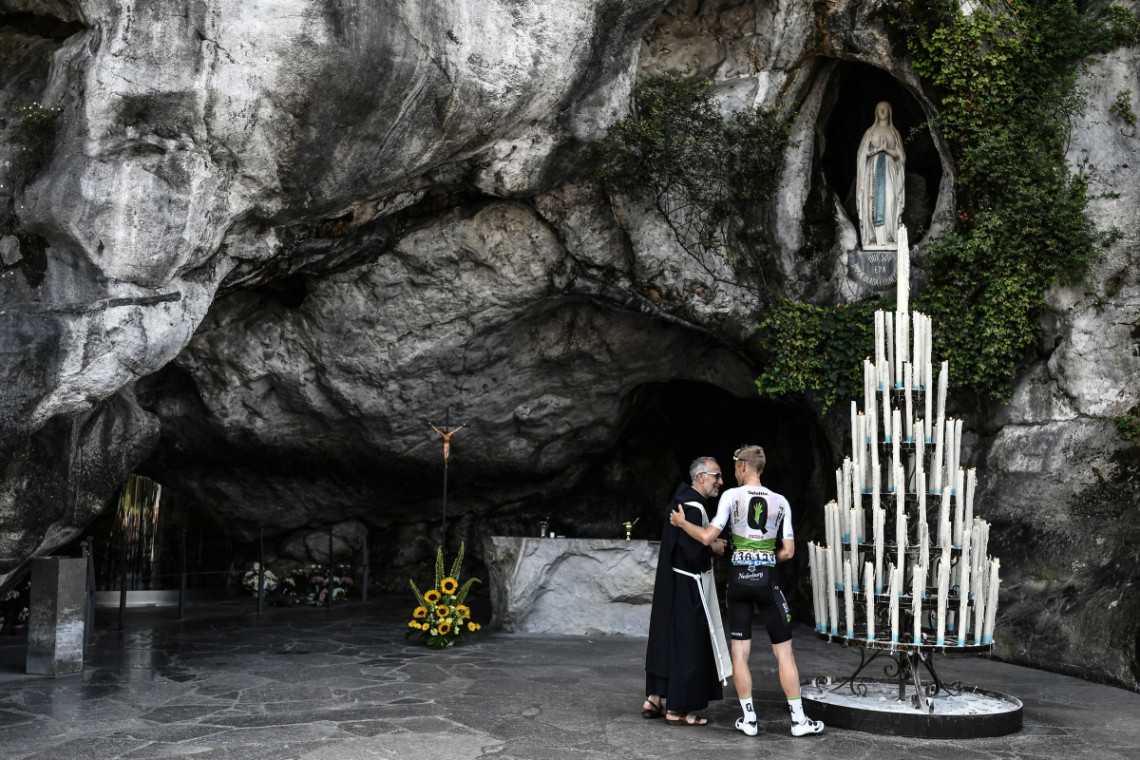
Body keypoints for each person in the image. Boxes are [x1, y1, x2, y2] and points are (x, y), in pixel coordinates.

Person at [670, 445, 824, 737]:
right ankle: (799, 721)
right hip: (767, 581)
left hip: (739, 581)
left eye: (734, 468)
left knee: (740, 653)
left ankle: (749, 719)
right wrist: (764, 560)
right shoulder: (781, 502)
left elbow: (707, 537)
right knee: (784, 653)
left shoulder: (730, 496)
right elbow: (789, 552)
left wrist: (681, 523)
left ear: (742, 466)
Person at [643, 456, 732, 726]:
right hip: (688, 587)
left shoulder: (680, 501)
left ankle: (654, 698)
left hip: (672, 583)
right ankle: (677, 710)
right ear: (701, 477)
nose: (721, 481)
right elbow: (692, 553)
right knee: (689, 645)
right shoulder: (693, 509)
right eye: (716, 476)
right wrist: (713, 547)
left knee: (667, 639)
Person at [856, 100, 906, 248]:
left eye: (885, 108)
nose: (883, 111)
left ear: (890, 112)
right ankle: (873, 238)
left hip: (889, 170)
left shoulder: (894, 133)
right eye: (880, 108)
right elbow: (861, 153)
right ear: (876, 112)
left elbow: (901, 156)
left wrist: (887, 150)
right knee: (871, 200)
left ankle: (890, 236)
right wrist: (877, 150)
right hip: (872, 170)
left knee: (890, 200)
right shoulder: (870, 132)